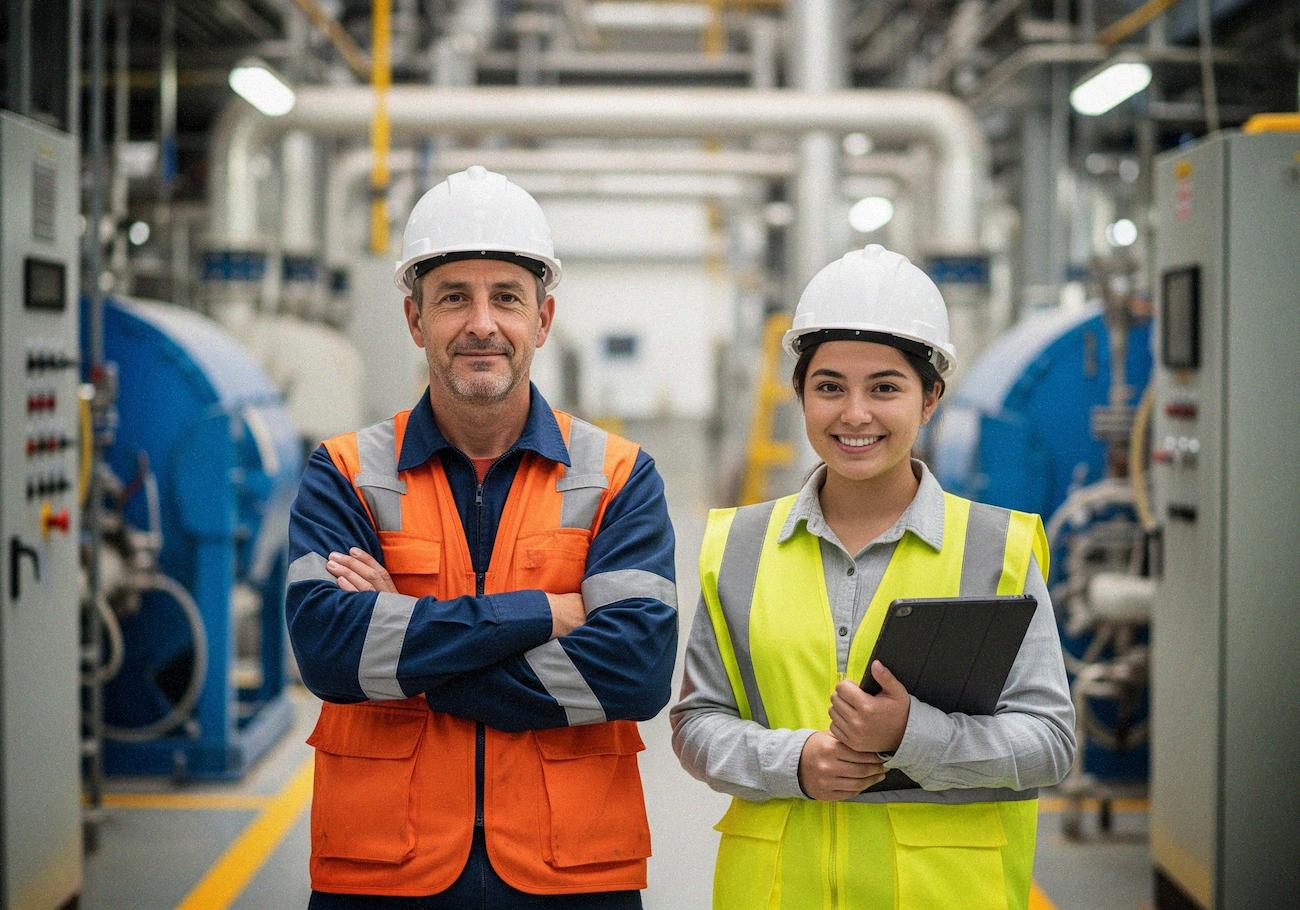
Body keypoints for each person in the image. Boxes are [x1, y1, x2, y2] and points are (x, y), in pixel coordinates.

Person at [286, 165, 678, 908]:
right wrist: (545, 612)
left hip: (571, 872)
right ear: (415, 320)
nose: (481, 324)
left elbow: (635, 670)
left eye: (506, 297)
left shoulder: (619, 475)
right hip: (382, 870)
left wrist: (408, 640)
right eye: (452, 298)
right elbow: (331, 653)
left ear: (543, 319)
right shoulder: (345, 471)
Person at [671, 244, 1075, 910]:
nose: (854, 413)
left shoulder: (994, 550)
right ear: (801, 394)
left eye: (885, 388)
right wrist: (796, 763)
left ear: (930, 398)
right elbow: (697, 723)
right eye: (829, 387)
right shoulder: (739, 546)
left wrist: (911, 735)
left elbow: (1050, 744)